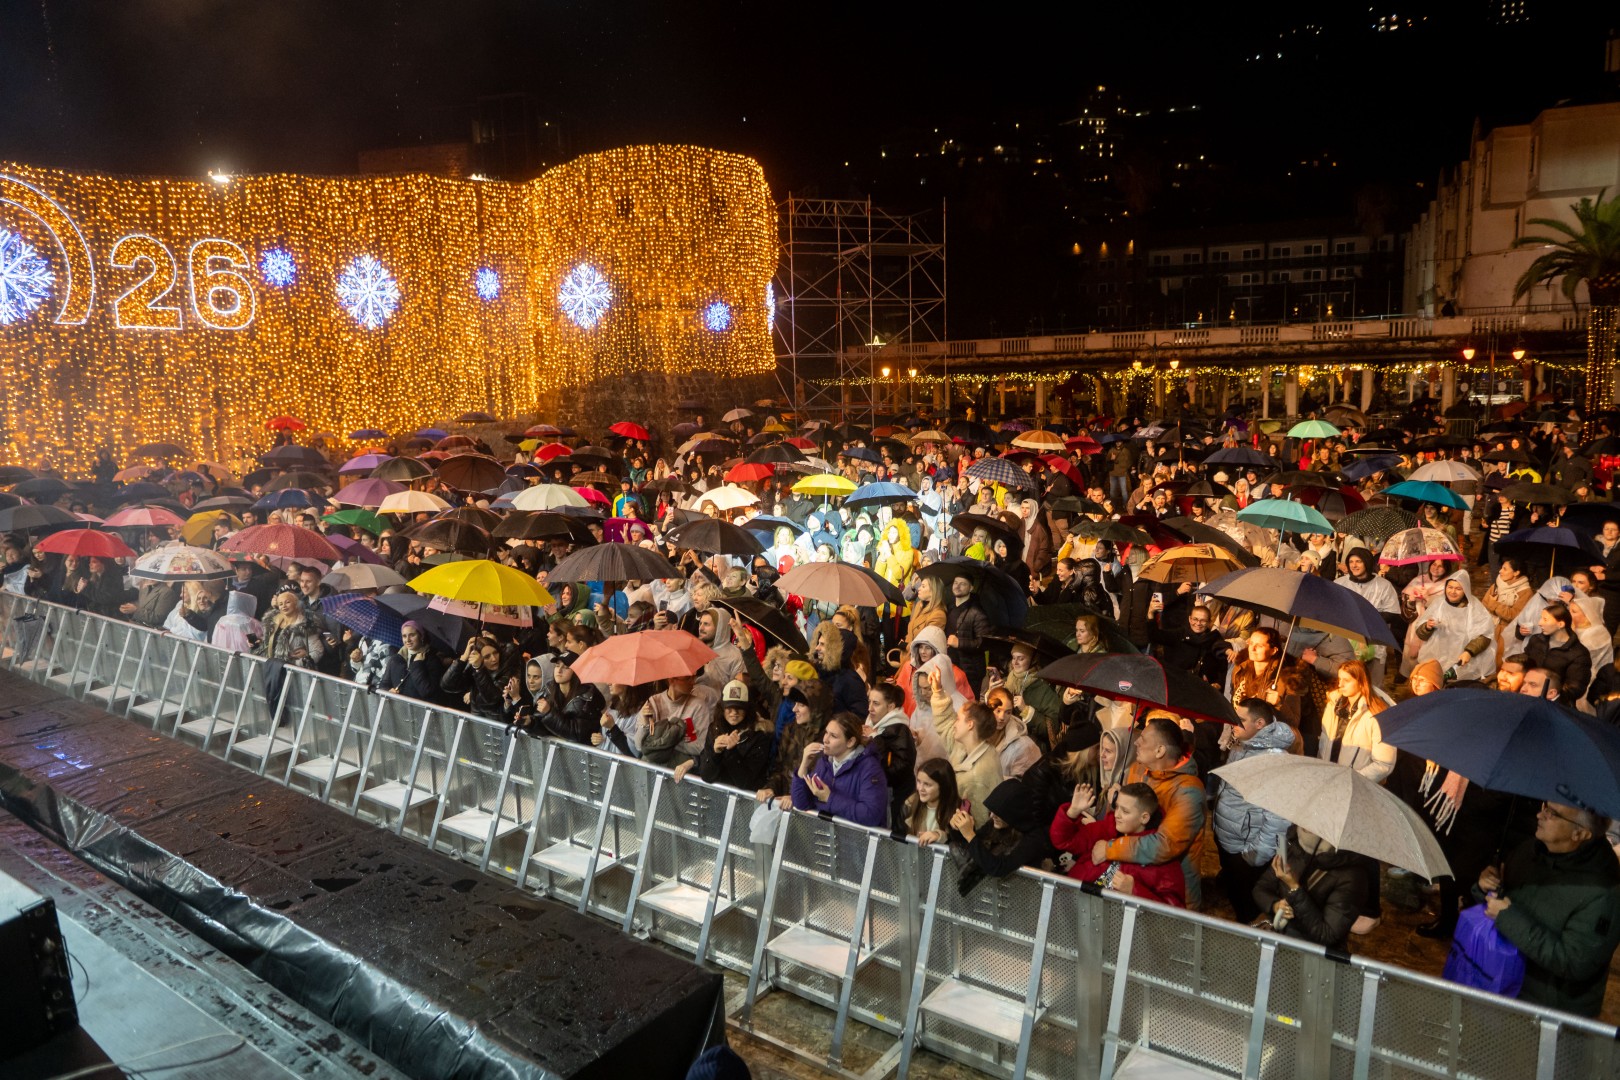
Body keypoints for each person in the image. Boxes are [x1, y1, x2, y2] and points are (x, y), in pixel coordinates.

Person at [1478, 802, 1620, 1018]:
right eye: (1545, 806)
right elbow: (1504, 898)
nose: (1539, 815)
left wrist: (1508, 917)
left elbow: (1575, 962)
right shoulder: (1531, 850)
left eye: (1552, 814)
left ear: (1580, 834)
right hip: (1506, 987)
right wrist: (1485, 886)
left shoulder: (1604, 894)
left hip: (1550, 1016)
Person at [1091, 716, 1208, 907]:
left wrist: (1110, 848)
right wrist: (1118, 803)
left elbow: (1163, 845)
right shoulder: (1138, 769)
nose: (1136, 741)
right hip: (1132, 877)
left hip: (1169, 891)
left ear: (1160, 750)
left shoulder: (1188, 791)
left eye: (1143, 739)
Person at [1211, 698, 1297, 923]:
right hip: (1230, 839)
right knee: (1238, 900)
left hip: (1245, 851)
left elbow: (1277, 818)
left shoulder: (1274, 760)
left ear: (1260, 724)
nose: (1233, 724)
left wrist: (1254, 855)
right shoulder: (1242, 743)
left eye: (1240, 720)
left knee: (1250, 909)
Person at [1050, 781, 1187, 906]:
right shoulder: (1107, 829)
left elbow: (1173, 913)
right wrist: (1073, 812)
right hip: (1071, 906)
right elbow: (1064, 841)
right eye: (1117, 807)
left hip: (1115, 926)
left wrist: (1134, 891)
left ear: (1144, 818)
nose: (1117, 815)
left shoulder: (1159, 855)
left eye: (1125, 811)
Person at [1252, 826, 1367, 950]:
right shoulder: (1294, 845)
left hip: (1313, 954)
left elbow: (1327, 935)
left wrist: (1294, 887)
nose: (1305, 826)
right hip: (1281, 937)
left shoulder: (1352, 876)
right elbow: (1260, 888)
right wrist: (1275, 905)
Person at [926, 669, 1004, 826]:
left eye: (958, 719)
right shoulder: (965, 747)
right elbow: (946, 723)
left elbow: (981, 822)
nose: (954, 723)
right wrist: (938, 691)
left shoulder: (977, 775)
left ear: (970, 725)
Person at [949, 779, 1053, 892]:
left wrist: (969, 834)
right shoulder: (995, 824)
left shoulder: (1034, 838)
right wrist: (958, 830)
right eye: (991, 811)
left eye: (998, 814)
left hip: (1021, 897)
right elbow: (972, 848)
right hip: (991, 894)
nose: (992, 816)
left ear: (1013, 813)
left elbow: (999, 868)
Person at [790, 712, 889, 827]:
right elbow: (801, 804)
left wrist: (829, 798)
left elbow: (871, 815)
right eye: (826, 732)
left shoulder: (870, 768)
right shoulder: (824, 762)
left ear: (850, 742)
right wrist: (804, 766)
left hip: (856, 842)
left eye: (833, 736)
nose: (825, 739)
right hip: (825, 839)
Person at [683, 679, 773, 791]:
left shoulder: (760, 735)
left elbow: (745, 783)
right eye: (729, 708)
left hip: (743, 801)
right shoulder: (714, 729)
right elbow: (706, 776)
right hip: (716, 796)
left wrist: (732, 752)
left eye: (739, 708)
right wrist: (715, 753)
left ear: (747, 709)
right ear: (722, 708)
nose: (734, 713)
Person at [864, 683, 917, 828]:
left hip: (894, 798)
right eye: (869, 701)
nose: (870, 708)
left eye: (876, 703)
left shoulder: (900, 730)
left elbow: (901, 768)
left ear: (891, 707)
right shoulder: (871, 726)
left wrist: (875, 739)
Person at [1523, 599, 1592, 700]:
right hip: (1526, 695)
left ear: (1560, 624)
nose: (1540, 623)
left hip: (1554, 703)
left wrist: (1549, 695)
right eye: (1541, 618)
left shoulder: (1578, 653)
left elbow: (1575, 688)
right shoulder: (1536, 640)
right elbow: (1525, 663)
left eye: (1545, 619)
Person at [902, 757, 960, 846]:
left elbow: (962, 848)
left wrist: (940, 836)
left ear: (943, 786)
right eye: (918, 781)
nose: (920, 788)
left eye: (927, 784)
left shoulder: (958, 812)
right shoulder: (909, 805)